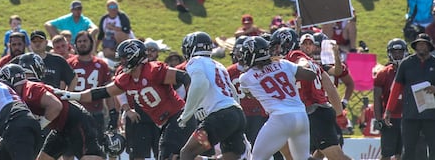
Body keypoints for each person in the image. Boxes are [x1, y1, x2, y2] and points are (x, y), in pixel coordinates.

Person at [56, 39, 192, 160]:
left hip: (178, 118)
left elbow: (185, 78)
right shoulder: (126, 79)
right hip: (165, 123)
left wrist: (193, 104)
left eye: (124, 58)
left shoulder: (154, 70)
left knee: (170, 156)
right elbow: (101, 92)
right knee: (178, 156)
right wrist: (72, 95)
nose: (121, 62)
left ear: (134, 57)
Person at [270, 28, 349, 160]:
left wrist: (302, 67)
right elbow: (330, 88)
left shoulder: (294, 57)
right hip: (311, 113)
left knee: (335, 156)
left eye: (277, 46)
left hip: (314, 112)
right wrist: (339, 113)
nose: (275, 51)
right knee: (292, 151)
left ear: (286, 45)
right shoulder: (315, 64)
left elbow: (302, 62)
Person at [0, 62, 105, 160]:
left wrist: (39, 126)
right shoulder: (24, 92)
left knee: (89, 158)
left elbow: (55, 106)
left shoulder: (30, 89)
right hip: (61, 127)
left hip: (76, 121)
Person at [238, 36, 316, 160]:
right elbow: (311, 75)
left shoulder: (246, 78)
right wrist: (302, 63)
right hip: (301, 115)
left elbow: (250, 94)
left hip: (280, 118)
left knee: (257, 157)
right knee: (303, 158)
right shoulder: (284, 64)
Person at [178, 32, 246, 160]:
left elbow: (199, 84)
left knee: (186, 153)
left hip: (220, 116)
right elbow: (233, 92)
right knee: (230, 156)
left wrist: (186, 114)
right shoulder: (218, 65)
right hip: (236, 114)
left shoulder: (195, 61)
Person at [385, 34, 435, 159]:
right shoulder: (406, 64)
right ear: (415, 46)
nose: (421, 46)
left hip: (432, 115)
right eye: (419, 44)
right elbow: (396, 89)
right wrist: (388, 110)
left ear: (429, 46)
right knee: (408, 149)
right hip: (410, 114)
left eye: (424, 44)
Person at [374, 39, 408, 160]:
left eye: (400, 52)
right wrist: (378, 118)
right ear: (389, 53)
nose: (398, 55)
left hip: (407, 117)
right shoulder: (382, 73)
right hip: (389, 118)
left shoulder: (410, 71)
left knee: (402, 154)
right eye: (395, 52)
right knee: (386, 154)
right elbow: (377, 99)